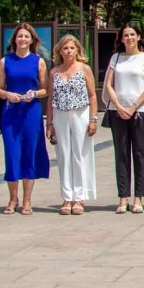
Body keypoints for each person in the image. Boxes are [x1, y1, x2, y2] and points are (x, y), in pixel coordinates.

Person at [103, 24, 144, 215]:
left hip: (141, 112)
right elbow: (109, 84)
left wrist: (134, 107)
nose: (129, 38)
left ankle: (139, 197)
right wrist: (118, 106)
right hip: (118, 112)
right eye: (125, 35)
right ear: (121, 39)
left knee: (141, 155)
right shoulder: (116, 58)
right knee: (122, 155)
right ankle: (123, 197)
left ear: (139, 37)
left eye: (132, 34)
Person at [0, 23, 50, 216]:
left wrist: (34, 93)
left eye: (26, 37)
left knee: (29, 154)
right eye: (20, 36)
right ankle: (13, 198)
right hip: (11, 114)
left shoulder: (39, 62)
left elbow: (45, 90)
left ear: (32, 40)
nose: (23, 40)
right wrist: (8, 94)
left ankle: (27, 200)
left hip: (31, 113)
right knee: (12, 155)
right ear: (14, 40)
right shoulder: (5, 61)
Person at [47, 35, 99, 216]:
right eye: (65, 48)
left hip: (80, 113)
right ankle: (67, 195)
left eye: (71, 48)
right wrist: (50, 122)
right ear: (59, 51)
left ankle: (79, 196)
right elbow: (51, 97)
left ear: (77, 49)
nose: (68, 51)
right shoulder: (54, 72)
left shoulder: (84, 69)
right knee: (63, 154)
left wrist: (93, 119)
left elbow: (92, 95)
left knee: (79, 153)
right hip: (61, 114)